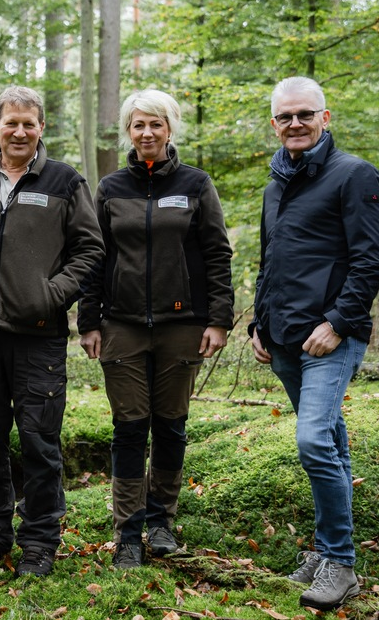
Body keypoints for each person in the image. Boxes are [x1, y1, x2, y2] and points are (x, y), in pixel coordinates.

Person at [0, 85, 104, 577]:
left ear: (41, 129)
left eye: (29, 123)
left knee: (39, 443)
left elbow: (90, 250)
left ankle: (39, 543)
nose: (19, 131)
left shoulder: (64, 181)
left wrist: (50, 296)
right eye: (11, 122)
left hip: (38, 339)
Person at [76, 89, 234, 569]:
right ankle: (128, 531)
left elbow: (216, 253)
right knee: (129, 427)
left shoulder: (196, 184)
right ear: (129, 131)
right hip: (121, 325)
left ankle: (161, 521)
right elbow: (93, 257)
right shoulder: (110, 189)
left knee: (170, 426)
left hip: (182, 326)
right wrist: (88, 321)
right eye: (139, 125)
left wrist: (219, 319)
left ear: (170, 129)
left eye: (156, 125)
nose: (147, 133)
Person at [249, 77, 379, 611]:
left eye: (305, 114)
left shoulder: (354, 175)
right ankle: (324, 549)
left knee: (311, 443)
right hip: (283, 336)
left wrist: (337, 322)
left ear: (325, 117)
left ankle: (340, 561)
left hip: (330, 338)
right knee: (329, 438)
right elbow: (272, 264)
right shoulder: (276, 184)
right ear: (274, 124)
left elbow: (371, 260)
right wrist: (258, 325)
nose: (295, 124)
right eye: (285, 117)